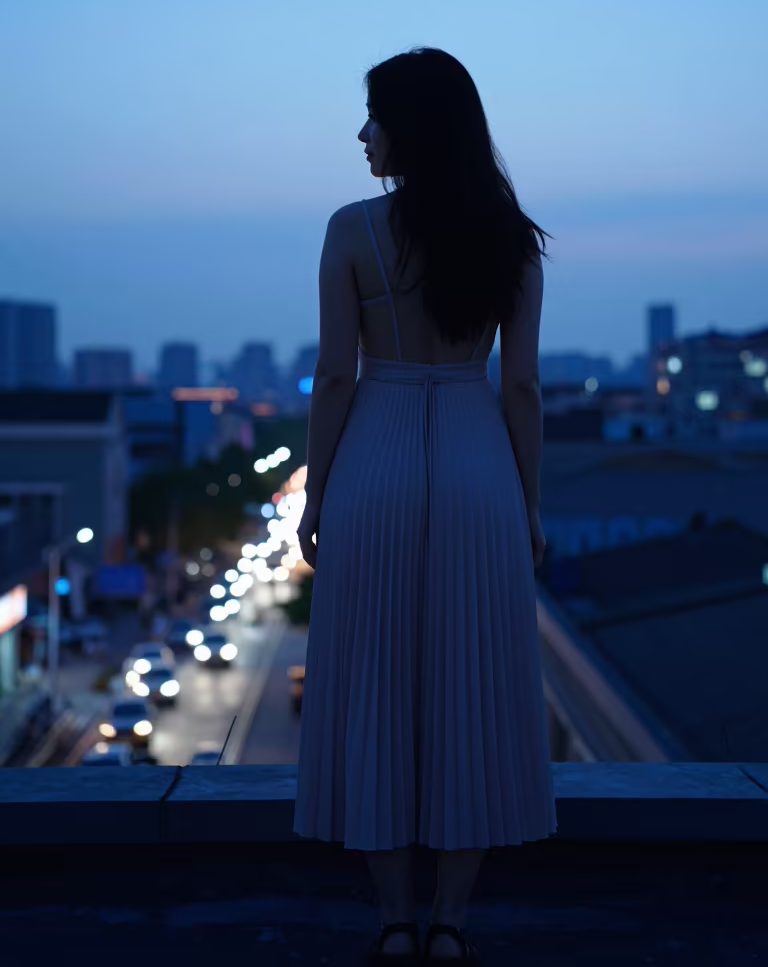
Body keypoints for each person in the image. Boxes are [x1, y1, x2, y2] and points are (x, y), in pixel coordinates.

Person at [295, 47, 557, 963]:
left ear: (413, 127)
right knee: (472, 685)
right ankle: (451, 922)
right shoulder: (512, 239)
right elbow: (520, 387)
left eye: (375, 116)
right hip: (480, 462)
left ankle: (394, 920)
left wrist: (315, 494)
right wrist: (527, 505)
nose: (362, 134)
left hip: (375, 456)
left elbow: (335, 375)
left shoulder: (350, 229)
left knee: (376, 682)